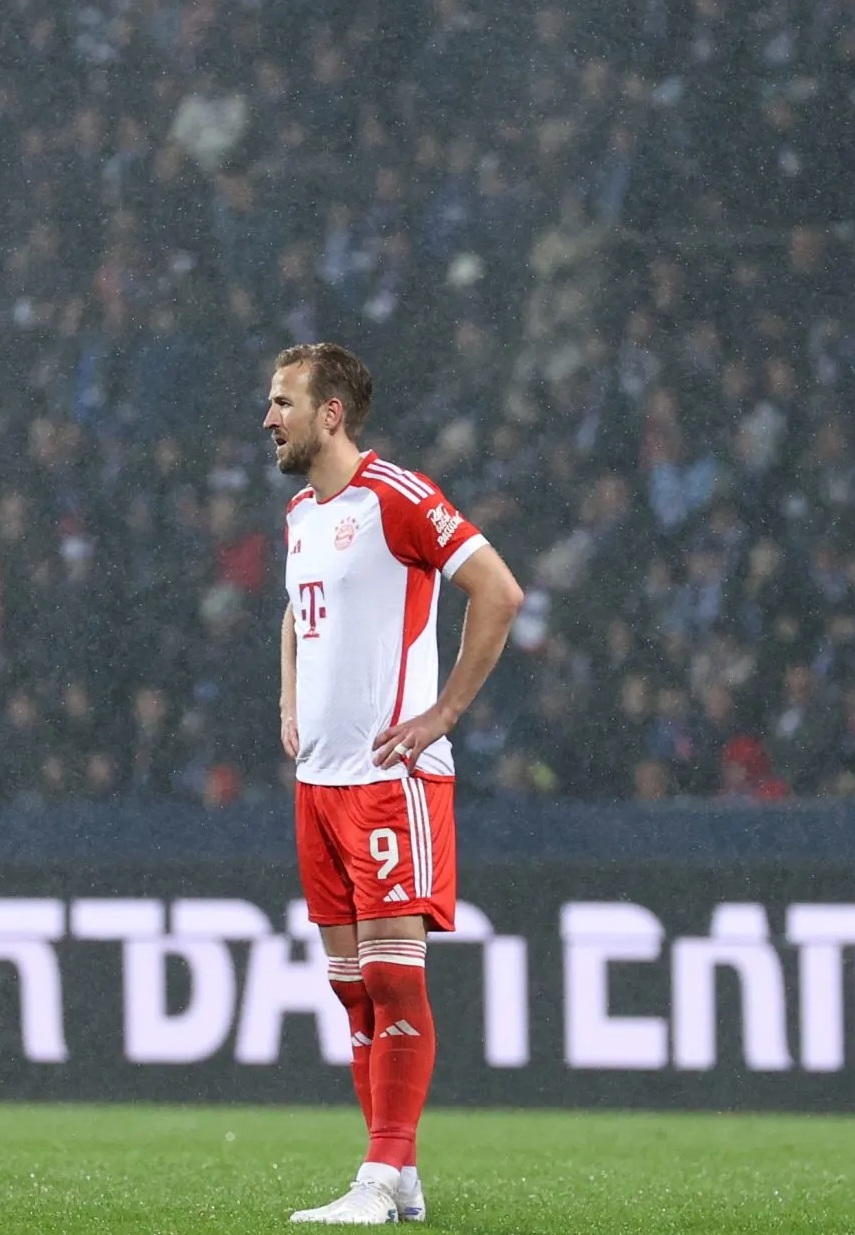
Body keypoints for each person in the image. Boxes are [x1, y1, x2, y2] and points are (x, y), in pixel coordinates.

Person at [269, 342, 525, 1226]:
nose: (269, 419)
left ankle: (379, 1176)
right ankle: (398, 1172)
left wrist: (444, 713)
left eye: (283, 403)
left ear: (330, 412)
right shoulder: (302, 512)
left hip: (392, 780)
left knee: (393, 977)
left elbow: (498, 589)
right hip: (320, 785)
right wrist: (288, 700)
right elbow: (296, 618)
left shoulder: (398, 498)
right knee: (351, 986)